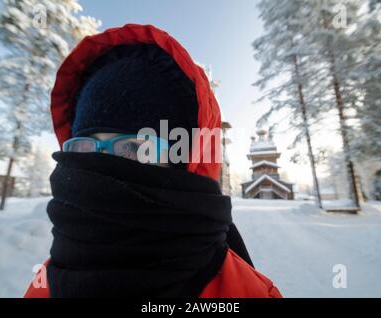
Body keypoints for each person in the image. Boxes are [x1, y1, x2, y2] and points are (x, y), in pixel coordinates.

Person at [24, 24, 281, 298]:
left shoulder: (245, 292)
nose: (101, 163)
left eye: (135, 148)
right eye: (85, 148)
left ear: (184, 163)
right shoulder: (43, 287)